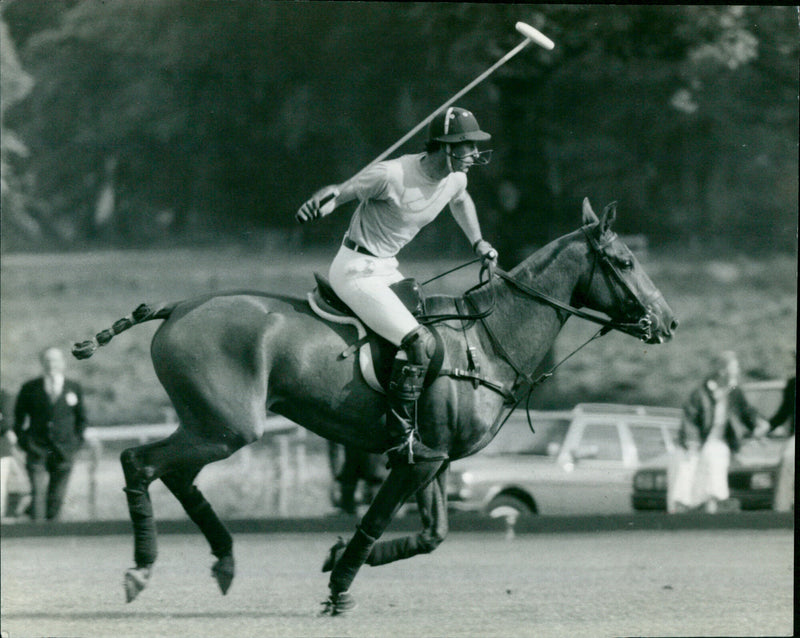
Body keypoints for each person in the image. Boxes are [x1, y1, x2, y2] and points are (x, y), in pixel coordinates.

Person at [296, 106, 498, 463]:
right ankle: (400, 439)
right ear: (446, 147)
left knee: (432, 333)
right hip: (356, 268)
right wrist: (321, 203)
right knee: (416, 341)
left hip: (387, 268)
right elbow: (341, 192)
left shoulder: (455, 179)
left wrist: (478, 242)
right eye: (467, 146)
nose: (474, 155)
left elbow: (461, 200)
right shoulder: (391, 175)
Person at [675, 350, 764, 513]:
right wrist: (692, 442)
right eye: (734, 367)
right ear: (722, 370)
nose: (736, 371)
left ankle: (713, 504)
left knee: (715, 462)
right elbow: (691, 419)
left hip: (719, 441)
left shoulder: (734, 392)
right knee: (689, 468)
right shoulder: (701, 393)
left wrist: (758, 425)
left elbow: (746, 412)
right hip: (700, 440)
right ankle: (688, 506)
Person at [13, 346, 87, 520]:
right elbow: (18, 419)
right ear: (42, 363)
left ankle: (54, 535)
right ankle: (37, 536)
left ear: (63, 363)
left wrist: (76, 443)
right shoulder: (30, 387)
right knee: (38, 494)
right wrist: (25, 442)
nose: (51, 364)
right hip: (37, 449)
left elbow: (82, 420)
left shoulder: (73, 387)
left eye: (55, 360)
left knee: (57, 496)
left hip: (64, 450)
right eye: (47, 360)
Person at [769, 374, 794, 511]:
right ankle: (781, 511)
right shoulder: (792, 384)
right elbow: (784, 412)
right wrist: (768, 426)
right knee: (787, 461)